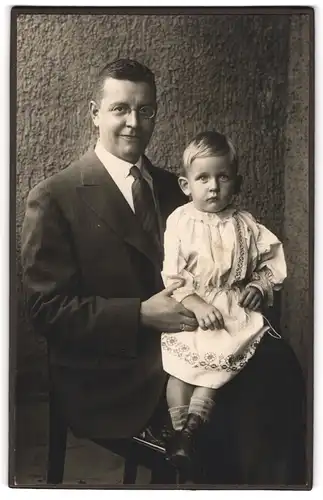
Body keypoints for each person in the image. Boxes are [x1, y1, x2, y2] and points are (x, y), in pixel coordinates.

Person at [21, 58, 197, 445]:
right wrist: (140, 314)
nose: (134, 122)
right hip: (108, 374)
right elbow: (45, 311)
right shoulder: (54, 197)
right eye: (120, 109)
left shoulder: (177, 189)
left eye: (145, 110)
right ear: (95, 114)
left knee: (270, 369)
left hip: (183, 350)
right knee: (233, 413)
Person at [160, 130, 287, 470]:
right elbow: (173, 274)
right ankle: (177, 434)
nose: (213, 186)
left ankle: (189, 434)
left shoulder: (245, 224)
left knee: (213, 376)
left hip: (231, 310)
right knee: (182, 373)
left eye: (222, 177)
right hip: (192, 306)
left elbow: (270, 262)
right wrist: (197, 304)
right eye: (202, 178)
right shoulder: (181, 221)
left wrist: (260, 286)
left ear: (237, 182)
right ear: (186, 185)